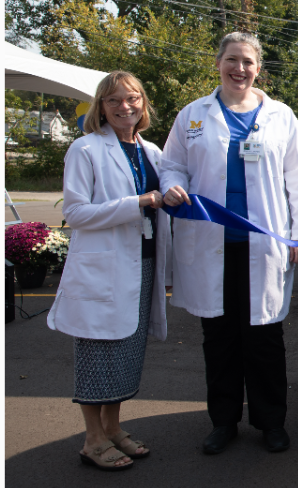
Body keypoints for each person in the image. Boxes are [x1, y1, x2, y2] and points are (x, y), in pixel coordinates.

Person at [160, 32, 298, 455]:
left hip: (263, 247)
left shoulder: (281, 116)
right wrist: (171, 185)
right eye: (232, 59)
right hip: (213, 245)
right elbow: (172, 165)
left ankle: (271, 422)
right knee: (219, 338)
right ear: (218, 63)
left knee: (264, 339)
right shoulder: (192, 116)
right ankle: (223, 421)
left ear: (258, 68)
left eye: (247, 61)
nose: (239, 69)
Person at [48, 72, 170, 471]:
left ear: (143, 104)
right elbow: (75, 213)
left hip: (142, 263)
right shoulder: (85, 148)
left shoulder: (151, 150)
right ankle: (93, 439)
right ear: (101, 106)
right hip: (103, 268)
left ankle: (114, 428)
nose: (124, 107)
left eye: (132, 98)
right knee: (98, 354)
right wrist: (139, 201)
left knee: (126, 353)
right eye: (114, 100)